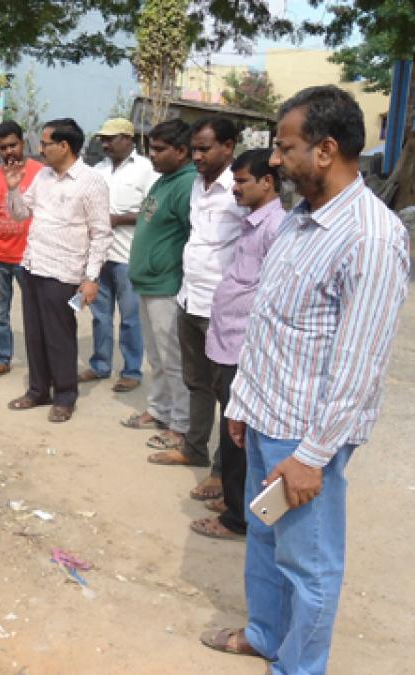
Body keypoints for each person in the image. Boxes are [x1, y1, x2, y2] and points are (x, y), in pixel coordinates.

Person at [201, 85, 409, 675]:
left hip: (305, 438)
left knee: (308, 564)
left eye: (283, 147)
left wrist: (314, 455)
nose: (272, 160)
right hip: (265, 417)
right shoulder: (298, 220)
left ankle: (299, 666)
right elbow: (267, 325)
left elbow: (360, 362)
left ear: (325, 150)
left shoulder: (371, 236)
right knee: (265, 544)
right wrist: (240, 402)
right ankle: (266, 635)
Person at [189, 148, 285, 541]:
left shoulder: (276, 227)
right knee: (234, 431)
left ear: (268, 182)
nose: (235, 187)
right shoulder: (252, 222)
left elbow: (272, 292)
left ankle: (237, 519)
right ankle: (235, 500)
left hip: (245, 346)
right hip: (227, 340)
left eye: (243, 180)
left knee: (239, 436)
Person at [148, 117, 247, 496]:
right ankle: (193, 448)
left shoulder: (239, 190)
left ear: (228, 146)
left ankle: (223, 472)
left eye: (206, 148)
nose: (199, 156)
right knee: (196, 382)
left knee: (228, 394)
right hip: (190, 297)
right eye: (196, 149)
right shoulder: (195, 186)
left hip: (221, 308)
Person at [4, 118, 112, 423]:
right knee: (35, 336)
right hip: (33, 266)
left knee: (60, 337)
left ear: (64, 146)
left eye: (46, 143)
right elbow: (21, 213)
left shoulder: (91, 182)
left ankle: (65, 396)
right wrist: (13, 190)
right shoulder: (43, 177)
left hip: (65, 273)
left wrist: (91, 278)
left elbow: (101, 233)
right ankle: (38, 390)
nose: (40, 149)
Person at [123, 119, 196, 451]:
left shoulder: (187, 184)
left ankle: (181, 425)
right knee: (156, 355)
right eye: (151, 148)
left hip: (168, 285)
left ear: (182, 151)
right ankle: (159, 409)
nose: (152, 155)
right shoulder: (164, 181)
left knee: (174, 358)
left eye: (160, 149)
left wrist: (168, 267)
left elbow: (192, 237)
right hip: (149, 283)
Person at [80, 117, 157, 392]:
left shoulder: (146, 170)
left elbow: (153, 211)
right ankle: (100, 365)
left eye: (111, 138)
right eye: (103, 138)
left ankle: (132, 370)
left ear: (128, 139)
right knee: (100, 316)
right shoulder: (97, 170)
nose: (105, 143)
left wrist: (118, 219)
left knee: (130, 318)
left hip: (129, 257)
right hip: (100, 257)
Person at [0, 120, 42, 380]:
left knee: (36, 313)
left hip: (32, 259)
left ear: (23, 143)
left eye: (13, 145)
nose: (9, 152)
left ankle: (40, 362)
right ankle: (2, 359)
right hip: (0, 259)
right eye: (3, 147)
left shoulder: (41, 174)